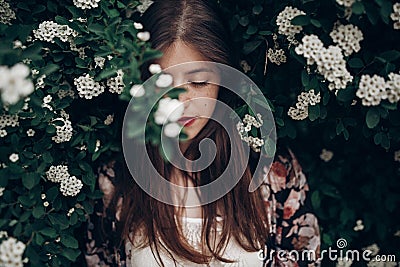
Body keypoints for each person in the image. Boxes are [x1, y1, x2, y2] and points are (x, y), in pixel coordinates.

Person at [83, 0, 321, 266]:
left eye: (198, 82)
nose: (183, 102)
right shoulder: (115, 182)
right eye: (164, 83)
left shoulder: (272, 171)